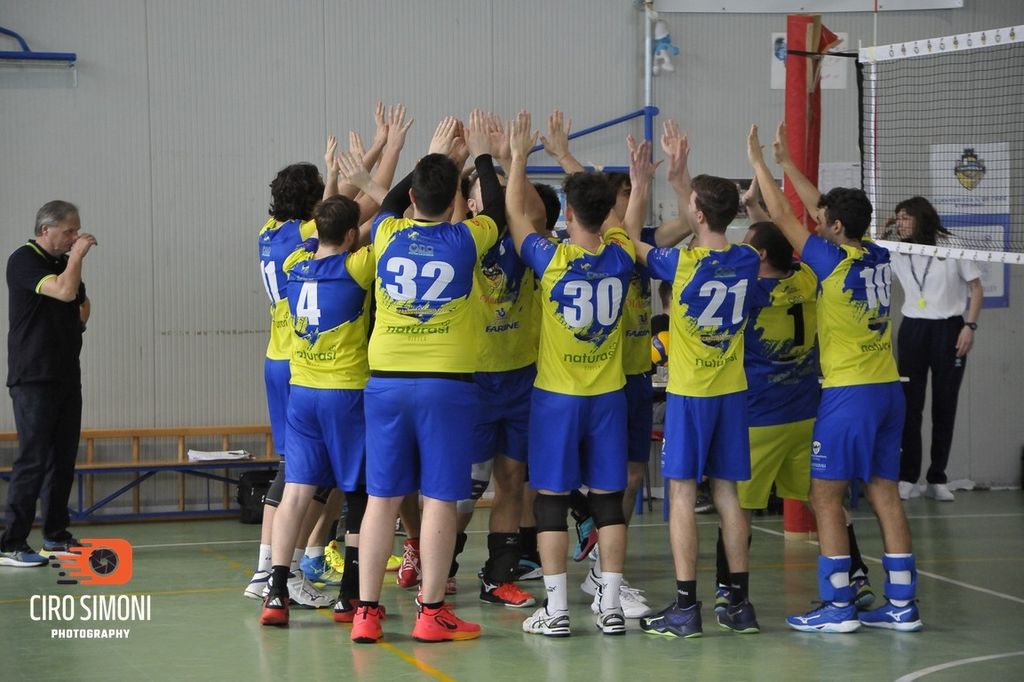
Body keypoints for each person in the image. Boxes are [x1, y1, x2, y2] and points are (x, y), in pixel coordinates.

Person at [749, 122, 922, 633]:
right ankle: (902, 604)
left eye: (824, 222)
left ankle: (838, 605)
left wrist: (759, 163)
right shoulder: (877, 253)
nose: (817, 224)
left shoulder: (831, 261)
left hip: (850, 395)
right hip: (889, 389)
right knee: (884, 493)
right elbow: (820, 206)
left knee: (824, 495)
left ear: (838, 228)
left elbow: (784, 215)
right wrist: (787, 163)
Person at [351, 113, 501, 644]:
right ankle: (431, 612)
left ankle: (366, 612)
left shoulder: (388, 231)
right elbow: (496, 209)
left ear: (414, 195)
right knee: (439, 497)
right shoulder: (468, 239)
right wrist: (479, 154)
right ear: (455, 197)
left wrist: (430, 158)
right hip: (446, 384)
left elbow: (391, 202)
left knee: (382, 499)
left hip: (386, 381)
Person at [625, 123, 762, 639]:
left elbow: (630, 241)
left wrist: (643, 183)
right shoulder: (747, 259)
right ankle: (739, 604)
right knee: (727, 494)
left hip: (689, 395)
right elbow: (707, 219)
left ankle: (686, 607)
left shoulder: (679, 263)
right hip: (732, 393)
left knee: (681, 494)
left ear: (697, 214)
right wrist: (684, 179)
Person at [504, 111, 636, 638]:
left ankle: (556, 610)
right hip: (608, 397)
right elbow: (614, 212)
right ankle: (610, 606)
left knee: (552, 502)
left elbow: (517, 214)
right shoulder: (623, 255)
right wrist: (566, 156)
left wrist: (518, 157)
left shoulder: (550, 258)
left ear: (570, 213)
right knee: (607, 503)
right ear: (605, 213)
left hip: (557, 398)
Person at [715, 220, 875, 612]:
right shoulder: (807, 278)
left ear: (761, 255)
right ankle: (856, 574)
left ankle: (730, 588)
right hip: (806, 415)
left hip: (758, 418)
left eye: (748, 245)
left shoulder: (749, 291)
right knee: (824, 500)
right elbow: (782, 241)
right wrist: (760, 211)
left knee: (737, 506)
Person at [260, 194, 374, 626]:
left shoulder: (294, 264)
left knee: (296, 492)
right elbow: (385, 217)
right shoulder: (357, 267)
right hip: (345, 393)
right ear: (352, 235)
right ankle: (349, 597)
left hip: (302, 391)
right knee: (358, 492)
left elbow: (321, 240)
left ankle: (276, 591)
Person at [1, 201, 95, 567]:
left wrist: (76, 326)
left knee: (63, 458)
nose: (75, 237)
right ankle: (11, 543)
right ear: (46, 230)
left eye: (77, 231)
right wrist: (79, 256)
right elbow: (65, 292)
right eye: (69, 231)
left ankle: (56, 535)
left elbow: (82, 301)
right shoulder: (24, 260)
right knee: (34, 459)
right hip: (34, 377)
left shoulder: (62, 264)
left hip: (66, 375)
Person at [884, 197, 982, 502]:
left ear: (921, 218)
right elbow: (874, 259)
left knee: (944, 405)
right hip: (913, 329)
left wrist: (969, 326)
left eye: (905, 217)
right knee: (909, 406)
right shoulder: (897, 248)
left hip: (949, 329)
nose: (901, 223)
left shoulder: (951, 245)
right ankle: (908, 477)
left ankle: (937, 478)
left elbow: (975, 288)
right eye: (898, 218)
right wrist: (884, 234)